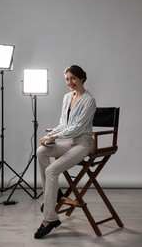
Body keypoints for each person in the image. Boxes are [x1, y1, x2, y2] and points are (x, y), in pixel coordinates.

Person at [34, 65, 96, 239]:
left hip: (83, 143)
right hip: (69, 141)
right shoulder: (67, 97)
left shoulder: (89, 101)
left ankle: (49, 218)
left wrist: (54, 137)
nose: (70, 82)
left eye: (73, 78)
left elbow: (76, 129)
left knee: (52, 170)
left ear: (82, 78)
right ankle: (54, 195)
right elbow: (63, 124)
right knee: (41, 151)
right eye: (67, 79)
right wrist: (50, 135)